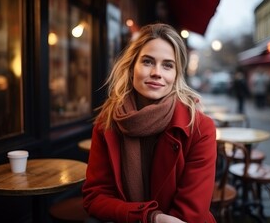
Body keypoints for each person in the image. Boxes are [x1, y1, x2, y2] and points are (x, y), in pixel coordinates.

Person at [82, 23, 217, 223]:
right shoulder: (107, 123)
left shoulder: (199, 127)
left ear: (176, 74)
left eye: (168, 65)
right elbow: (95, 197)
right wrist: (150, 217)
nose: (157, 72)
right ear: (131, 67)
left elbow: (191, 214)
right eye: (147, 62)